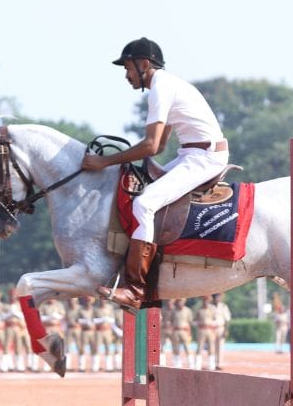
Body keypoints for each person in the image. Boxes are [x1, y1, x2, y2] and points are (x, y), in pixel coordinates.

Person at [84, 39, 229, 309]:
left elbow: (151, 145)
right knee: (145, 192)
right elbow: (160, 146)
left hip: (204, 157)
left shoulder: (160, 88)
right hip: (193, 154)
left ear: (144, 64)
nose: (127, 75)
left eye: (128, 67)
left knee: (144, 203)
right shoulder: (168, 84)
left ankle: (135, 289)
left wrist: (105, 162)